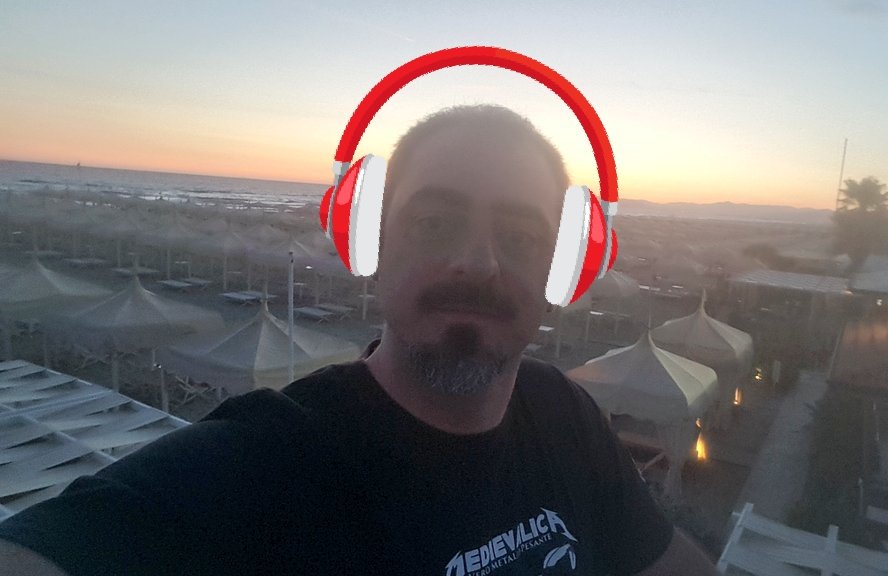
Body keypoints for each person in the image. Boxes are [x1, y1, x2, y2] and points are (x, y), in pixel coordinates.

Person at [0, 105, 718, 575]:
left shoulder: (567, 417)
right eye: (434, 223)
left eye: (523, 236)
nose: (478, 262)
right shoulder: (265, 462)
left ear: (565, 269)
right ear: (366, 241)